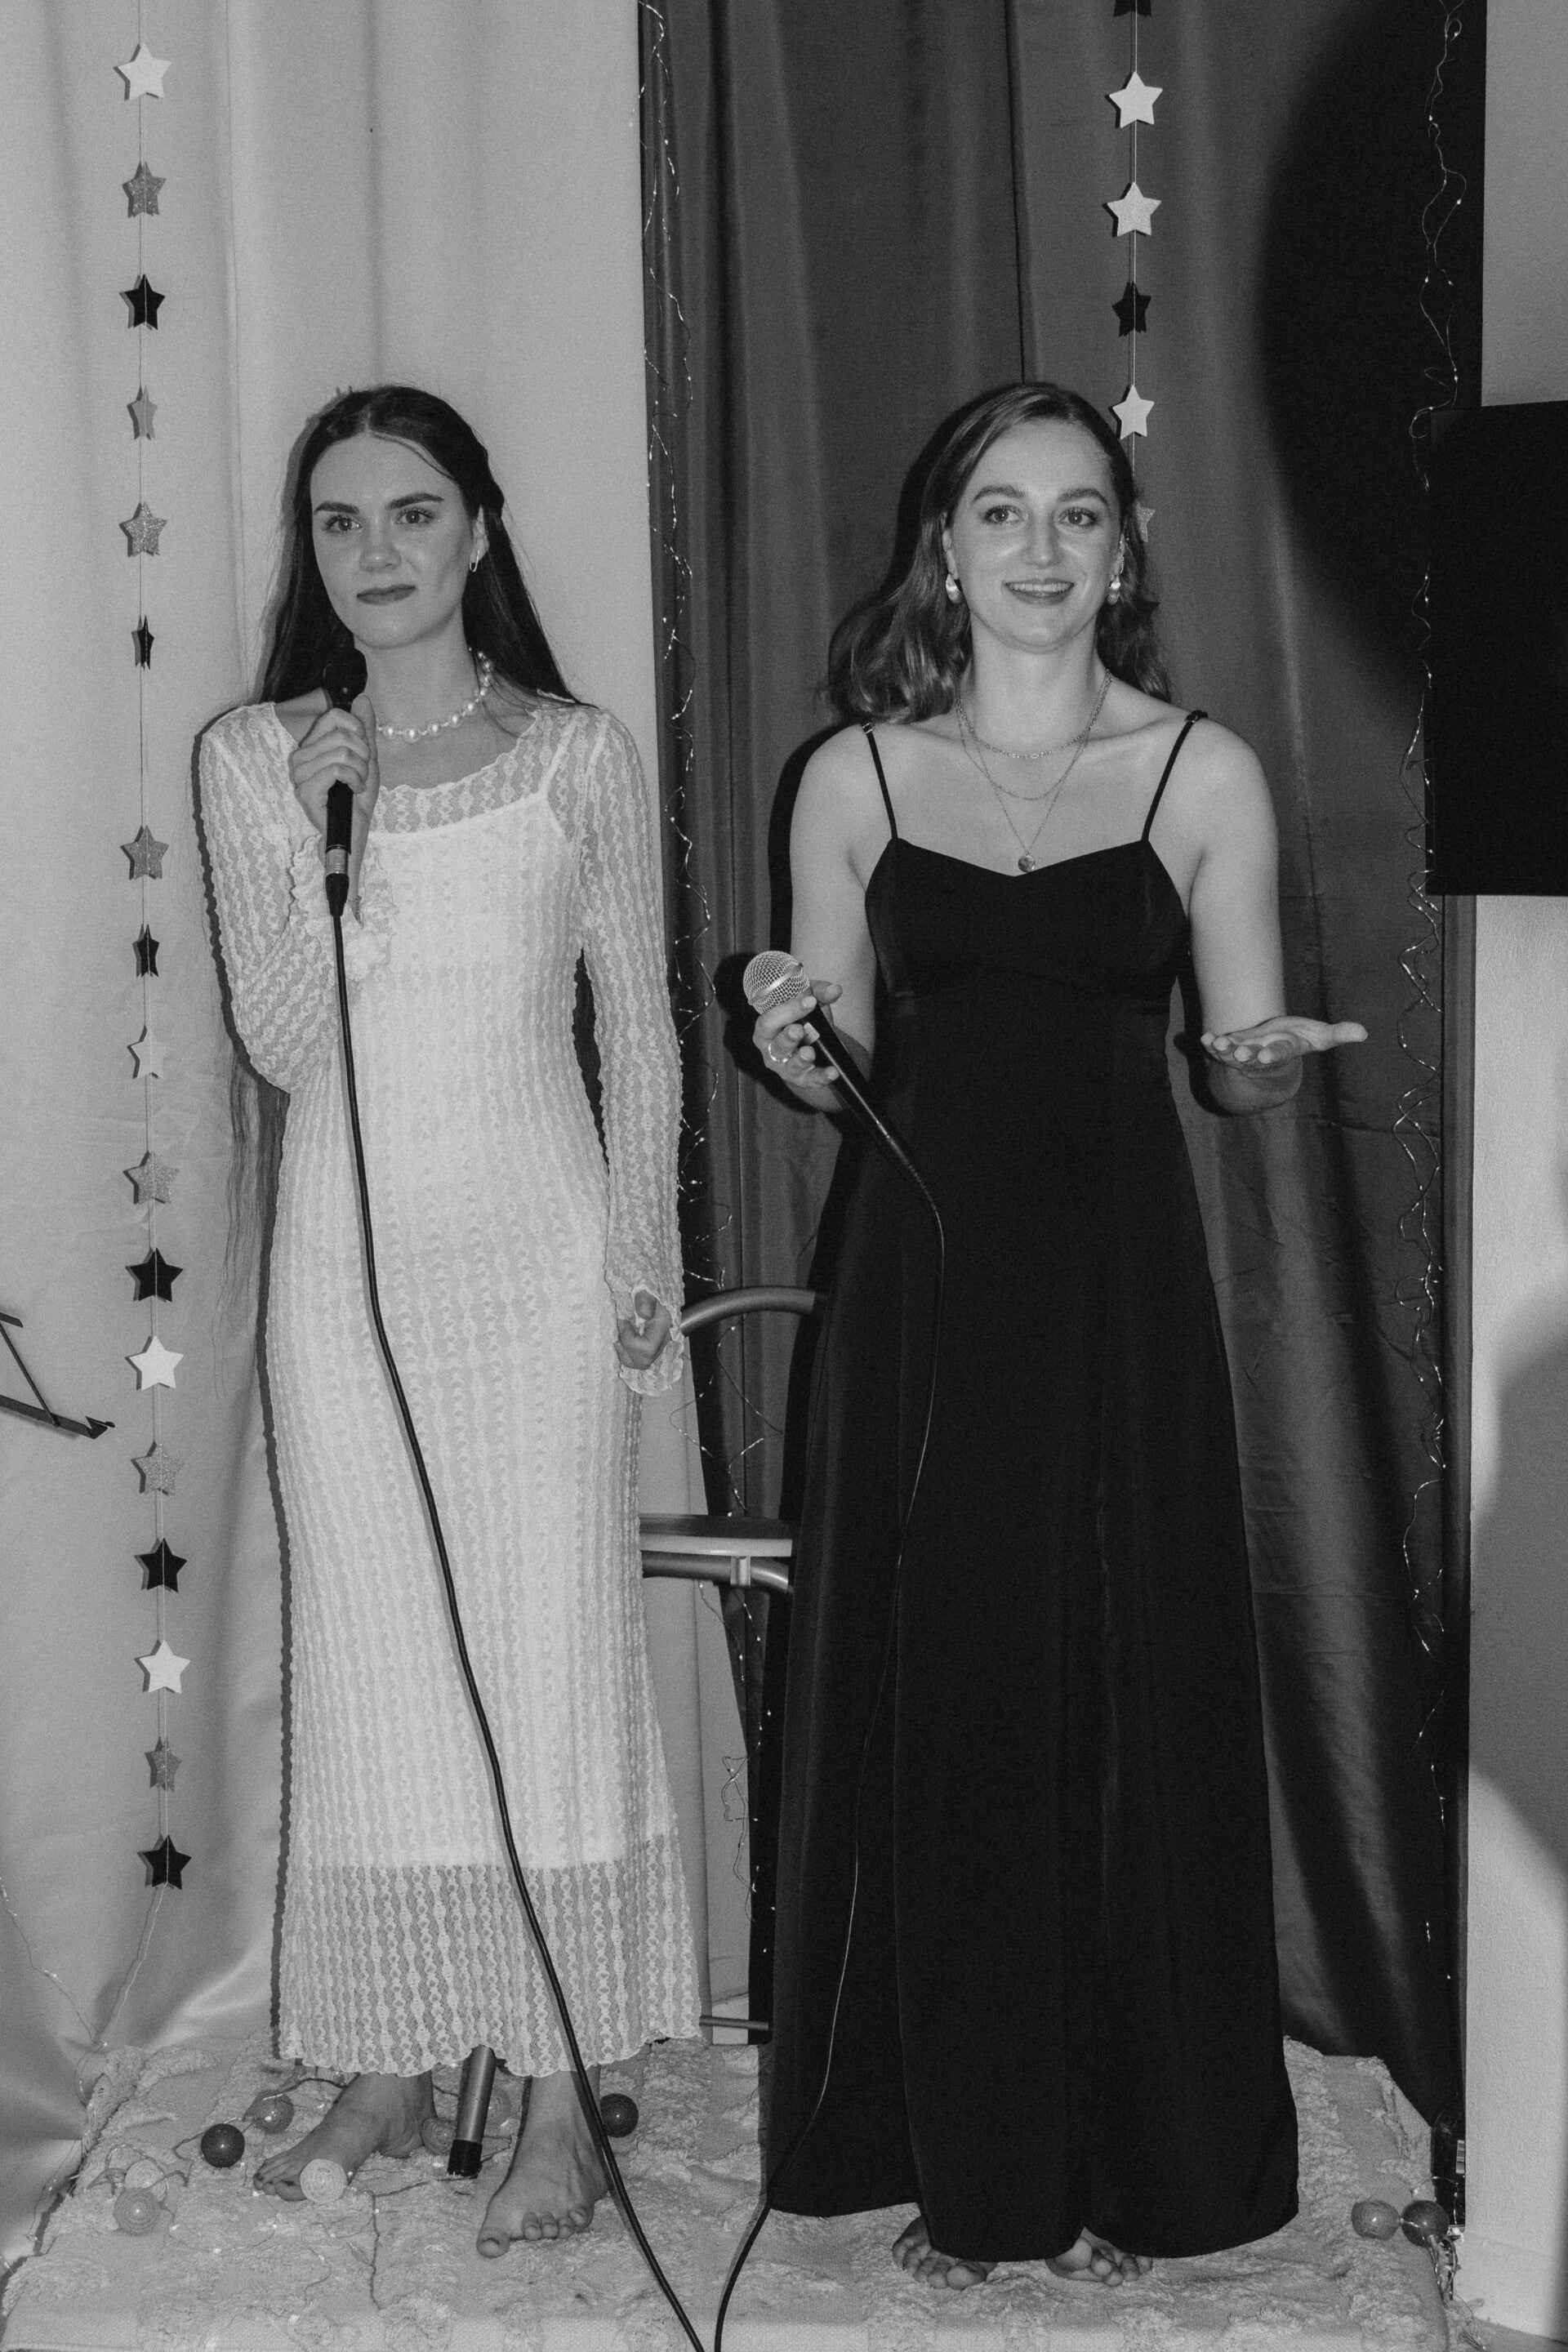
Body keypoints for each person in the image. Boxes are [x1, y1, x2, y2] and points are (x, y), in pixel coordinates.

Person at [753, 382, 1365, 2290]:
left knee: (1121, 1692)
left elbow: (1237, 1070)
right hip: (922, 1299)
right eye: (1002, 514)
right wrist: (791, 1036)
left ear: (1124, 548)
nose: (1040, 549)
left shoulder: (1203, 774)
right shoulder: (854, 779)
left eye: (1078, 514)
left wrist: (1259, 1064)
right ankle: (963, 2150)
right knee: (946, 1695)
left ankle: (1136, 2154)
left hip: (1117, 1296)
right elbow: (837, 1067)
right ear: (944, 550)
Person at [200, 385, 698, 2254]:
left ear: (479, 532)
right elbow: (283, 1040)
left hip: (537, 1273)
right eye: (340, 522)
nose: (378, 552)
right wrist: (323, 831)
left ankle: (563, 2090)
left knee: (550, 1667)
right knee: (378, 1668)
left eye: (413, 513)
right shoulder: (258, 758)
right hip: (345, 1286)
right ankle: (396, 2055)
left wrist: (641, 1264)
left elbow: (640, 1028)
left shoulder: (576, 756)